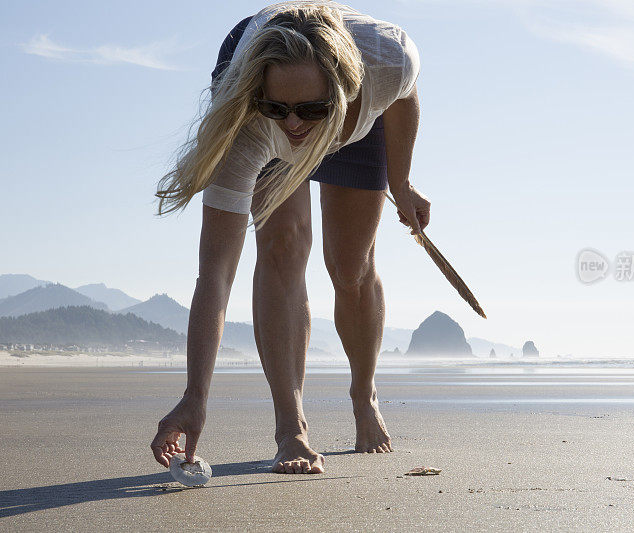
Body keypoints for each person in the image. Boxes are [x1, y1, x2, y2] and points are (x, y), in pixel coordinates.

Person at [150, 1, 430, 474]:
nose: (295, 125)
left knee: (350, 266)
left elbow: (405, 97)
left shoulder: (389, 58)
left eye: (309, 110)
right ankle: (291, 429)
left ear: (340, 90)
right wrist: (194, 396)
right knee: (282, 249)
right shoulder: (249, 123)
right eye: (281, 109)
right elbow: (215, 276)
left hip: (353, 121)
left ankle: (365, 394)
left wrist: (401, 183)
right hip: (254, 104)